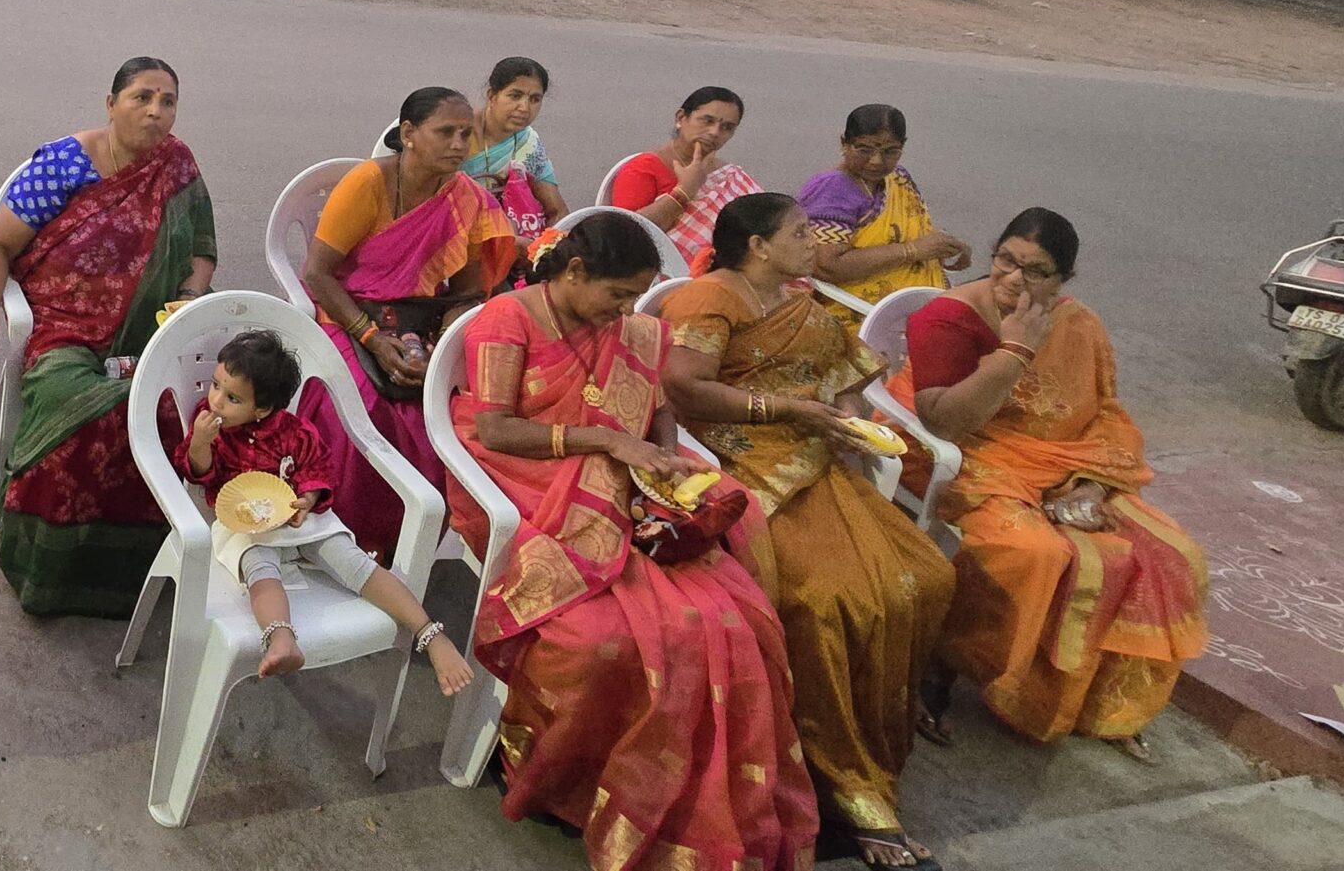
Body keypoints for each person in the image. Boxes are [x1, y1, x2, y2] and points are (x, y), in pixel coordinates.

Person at [452, 213, 818, 868]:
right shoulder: (507, 319)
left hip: (618, 480)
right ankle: (565, 779)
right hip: (526, 481)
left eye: (634, 298)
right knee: (603, 640)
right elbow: (498, 429)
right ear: (574, 272)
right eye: (618, 295)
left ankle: (687, 801)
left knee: (733, 621)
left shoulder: (629, 329)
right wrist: (606, 441)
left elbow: (658, 405)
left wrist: (664, 461)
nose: (626, 312)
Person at [660, 193, 957, 870]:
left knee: (926, 576)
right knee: (825, 601)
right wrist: (786, 410)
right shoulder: (710, 299)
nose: (812, 242)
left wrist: (850, 417)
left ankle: (876, 738)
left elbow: (844, 374)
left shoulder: (798, 300)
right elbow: (684, 387)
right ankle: (840, 779)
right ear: (758, 246)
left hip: (814, 457)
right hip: (742, 464)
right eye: (799, 233)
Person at [888, 209, 1207, 757]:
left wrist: (1092, 484)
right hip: (966, 456)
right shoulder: (949, 318)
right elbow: (944, 424)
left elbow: (1103, 413)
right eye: (1006, 260)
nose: (1014, 279)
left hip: (1065, 465)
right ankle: (943, 667)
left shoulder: (1077, 324)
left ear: (1063, 280)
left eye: (1035, 271)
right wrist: (1015, 351)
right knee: (1033, 552)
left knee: (1171, 554)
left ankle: (1095, 706)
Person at [0, 57, 217, 617]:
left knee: (178, 409)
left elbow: (201, 247)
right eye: (142, 97)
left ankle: (142, 574)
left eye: (168, 101)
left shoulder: (176, 165)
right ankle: (50, 575)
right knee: (78, 408)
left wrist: (189, 297)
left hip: (155, 326)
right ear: (111, 104)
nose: (155, 112)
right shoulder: (65, 164)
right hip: (66, 330)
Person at [173, 329, 474, 691]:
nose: (217, 400)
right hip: (243, 522)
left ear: (262, 409)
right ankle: (282, 638)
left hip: (296, 515)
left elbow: (316, 468)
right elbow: (200, 473)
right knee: (259, 569)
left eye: (232, 397)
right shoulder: (209, 424)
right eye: (216, 385)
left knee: (352, 561)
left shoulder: (293, 431)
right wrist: (200, 443)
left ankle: (429, 633)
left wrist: (308, 498)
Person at [300, 87, 520, 560]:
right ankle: (337, 542)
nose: (459, 144)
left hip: (420, 320)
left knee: (447, 408)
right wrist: (372, 338)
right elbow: (317, 274)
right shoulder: (368, 183)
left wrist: (440, 348)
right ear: (409, 133)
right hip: (348, 311)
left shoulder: (469, 200)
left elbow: (466, 293)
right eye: (446, 132)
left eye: (466, 133)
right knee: (363, 403)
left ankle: (403, 548)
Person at [796, 105, 972, 326]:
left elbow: (913, 229)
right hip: (859, 315)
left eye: (890, 151)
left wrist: (946, 247)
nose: (876, 161)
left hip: (915, 306)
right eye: (864, 149)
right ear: (844, 143)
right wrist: (913, 250)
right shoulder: (833, 189)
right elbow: (826, 265)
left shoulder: (898, 178)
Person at [607, 85, 762, 270]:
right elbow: (624, 236)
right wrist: (684, 192)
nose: (715, 132)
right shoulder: (644, 168)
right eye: (707, 120)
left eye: (727, 127)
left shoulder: (729, 175)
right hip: (663, 275)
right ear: (681, 118)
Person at [460, 55, 568, 235]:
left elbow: (557, 212)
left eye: (535, 99)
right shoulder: (458, 135)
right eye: (515, 96)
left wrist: (548, 245)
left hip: (514, 238)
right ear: (492, 96)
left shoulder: (528, 142)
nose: (524, 108)